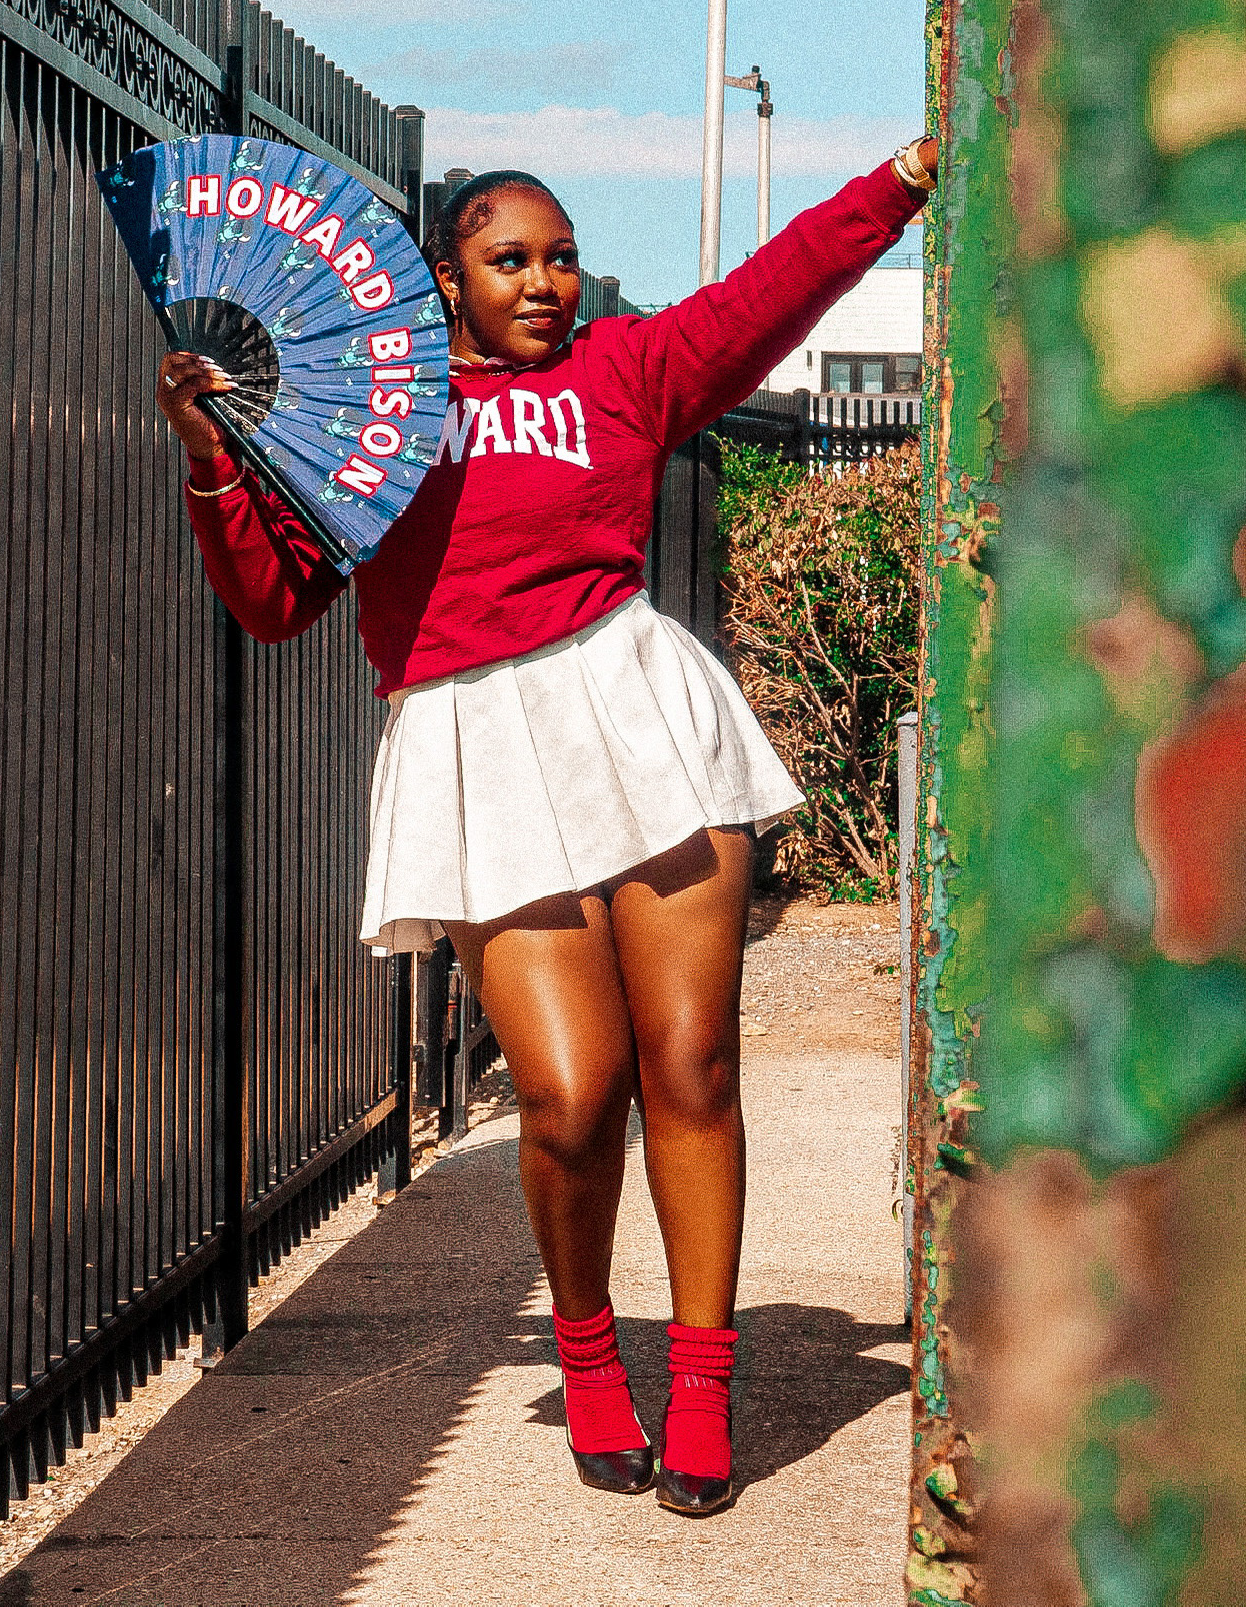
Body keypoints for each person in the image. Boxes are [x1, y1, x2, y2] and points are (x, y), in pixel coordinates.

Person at [158, 136, 938, 1517]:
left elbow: (768, 292)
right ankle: (588, 1354)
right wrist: (214, 457)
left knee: (691, 1062)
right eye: (509, 259)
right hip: (475, 750)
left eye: (562, 258)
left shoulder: (624, 371)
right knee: (573, 1097)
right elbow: (275, 602)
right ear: (445, 276)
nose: (543, 283)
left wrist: (900, 181)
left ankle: (703, 1382)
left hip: (642, 723)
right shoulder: (372, 410)